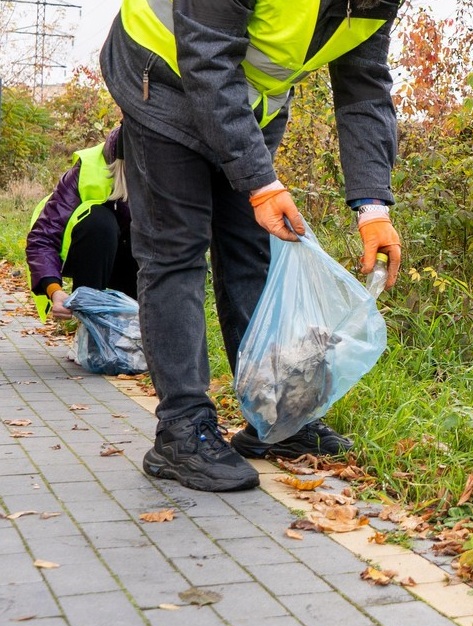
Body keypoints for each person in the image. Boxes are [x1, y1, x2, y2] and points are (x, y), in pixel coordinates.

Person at [99, 0, 403, 493]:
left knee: (252, 253)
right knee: (176, 252)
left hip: (247, 105)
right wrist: (261, 183)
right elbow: (206, 53)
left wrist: (373, 208)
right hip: (163, 79)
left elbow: (364, 89)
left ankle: (273, 418)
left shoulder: (376, 2)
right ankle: (182, 428)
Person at [26, 126, 136, 323]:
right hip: (91, 253)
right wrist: (55, 290)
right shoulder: (88, 168)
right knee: (100, 222)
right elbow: (42, 239)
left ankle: (140, 329)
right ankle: (89, 328)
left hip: (137, 259)